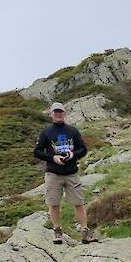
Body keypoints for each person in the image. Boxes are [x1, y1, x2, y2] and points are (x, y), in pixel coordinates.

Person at [33, 102, 94, 245]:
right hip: (53, 174)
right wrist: (52, 157)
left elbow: (83, 149)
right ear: (51, 114)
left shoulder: (72, 131)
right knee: (54, 203)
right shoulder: (46, 132)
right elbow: (37, 152)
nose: (58, 114)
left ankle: (85, 232)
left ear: (64, 113)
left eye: (60, 112)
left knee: (79, 203)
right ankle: (57, 231)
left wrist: (73, 155)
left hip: (72, 173)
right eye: (56, 112)